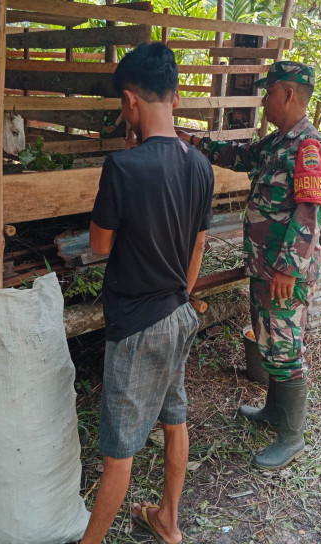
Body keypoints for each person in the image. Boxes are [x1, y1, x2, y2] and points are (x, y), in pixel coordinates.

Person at [80, 43, 215, 544]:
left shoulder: (123, 166)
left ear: (131, 101)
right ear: (174, 97)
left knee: (119, 451)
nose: (123, 113)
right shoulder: (199, 165)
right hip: (179, 313)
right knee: (174, 420)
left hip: (136, 325)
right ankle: (168, 521)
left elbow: (99, 244)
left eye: (122, 104)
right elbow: (198, 247)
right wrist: (180, 293)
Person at [177, 61, 321, 470]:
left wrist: (287, 269)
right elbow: (237, 154)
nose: (263, 99)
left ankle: (292, 437)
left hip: (285, 273)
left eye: (268, 92)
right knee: (267, 340)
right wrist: (191, 140)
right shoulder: (276, 143)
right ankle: (273, 412)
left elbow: (309, 214)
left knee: (284, 349)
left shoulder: (308, 147)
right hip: (265, 268)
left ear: (288, 94)